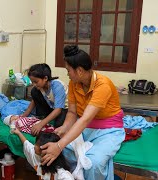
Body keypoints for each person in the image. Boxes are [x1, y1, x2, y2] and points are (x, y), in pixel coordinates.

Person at [41, 45, 125, 179]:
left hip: (108, 131)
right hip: (85, 129)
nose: (67, 74)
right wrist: (64, 128)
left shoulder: (103, 85)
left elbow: (85, 119)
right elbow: (72, 113)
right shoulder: (73, 84)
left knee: (94, 163)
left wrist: (58, 145)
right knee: (65, 151)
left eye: (68, 70)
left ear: (79, 70)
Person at [22, 63, 68, 136]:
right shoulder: (40, 87)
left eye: (36, 82)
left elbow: (58, 109)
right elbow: (34, 100)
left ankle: (46, 119)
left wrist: (41, 124)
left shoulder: (57, 86)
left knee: (58, 127)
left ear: (45, 78)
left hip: (64, 109)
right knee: (34, 91)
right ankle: (43, 116)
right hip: (52, 106)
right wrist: (24, 115)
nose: (34, 84)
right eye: (32, 82)